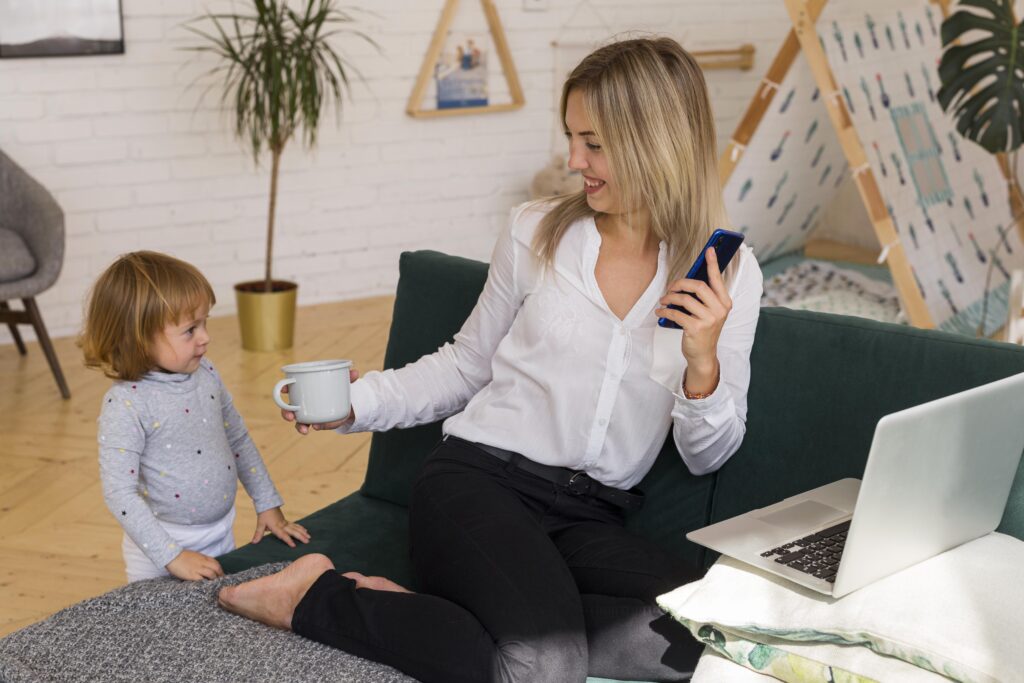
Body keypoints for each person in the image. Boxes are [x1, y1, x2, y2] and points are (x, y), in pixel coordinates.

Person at [218, 37, 763, 682]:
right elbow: (464, 367)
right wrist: (354, 404)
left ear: (657, 141)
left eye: (593, 143)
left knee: (714, 633)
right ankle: (314, 599)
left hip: (591, 515)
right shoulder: (537, 231)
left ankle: (438, 615)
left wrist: (702, 364)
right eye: (571, 137)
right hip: (480, 485)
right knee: (543, 667)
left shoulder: (728, 274)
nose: (573, 161)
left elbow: (707, 456)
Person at [81, 251, 310, 583]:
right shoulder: (126, 404)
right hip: (159, 548)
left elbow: (238, 439)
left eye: (204, 323)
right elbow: (120, 493)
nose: (205, 337)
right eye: (190, 330)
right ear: (139, 340)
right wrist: (172, 556)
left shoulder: (207, 373)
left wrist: (267, 503)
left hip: (220, 532)